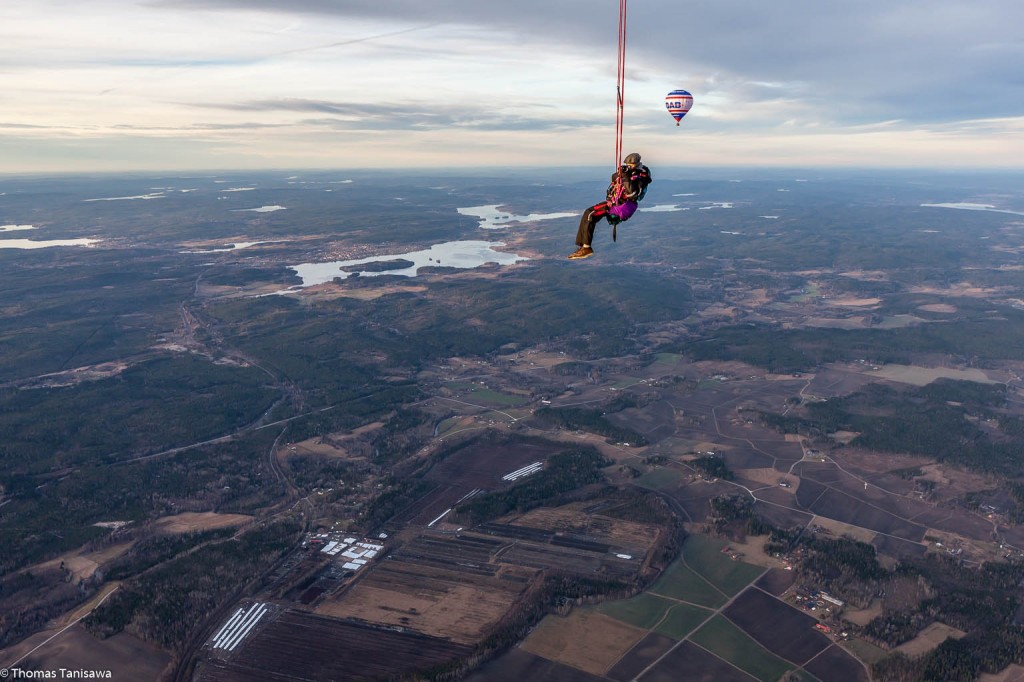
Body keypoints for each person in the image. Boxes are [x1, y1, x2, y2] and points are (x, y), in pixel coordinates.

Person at [568, 152, 652, 260]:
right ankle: (583, 246)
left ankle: (586, 247)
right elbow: (614, 178)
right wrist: (621, 174)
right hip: (620, 204)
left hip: (623, 206)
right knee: (588, 213)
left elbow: (631, 193)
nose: (628, 167)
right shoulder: (631, 173)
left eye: (630, 166)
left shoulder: (641, 177)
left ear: (637, 164)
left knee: (590, 214)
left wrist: (625, 176)